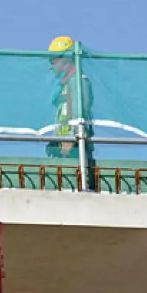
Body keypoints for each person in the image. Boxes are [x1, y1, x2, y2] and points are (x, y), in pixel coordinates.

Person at [48, 36, 95, 189]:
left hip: (74, 149)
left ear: (66, 59)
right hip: (63, 147)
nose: (51, 65)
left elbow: (80, 114)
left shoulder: (78, 82)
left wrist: (71, 139)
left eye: (53, 59)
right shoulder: (65, 85)